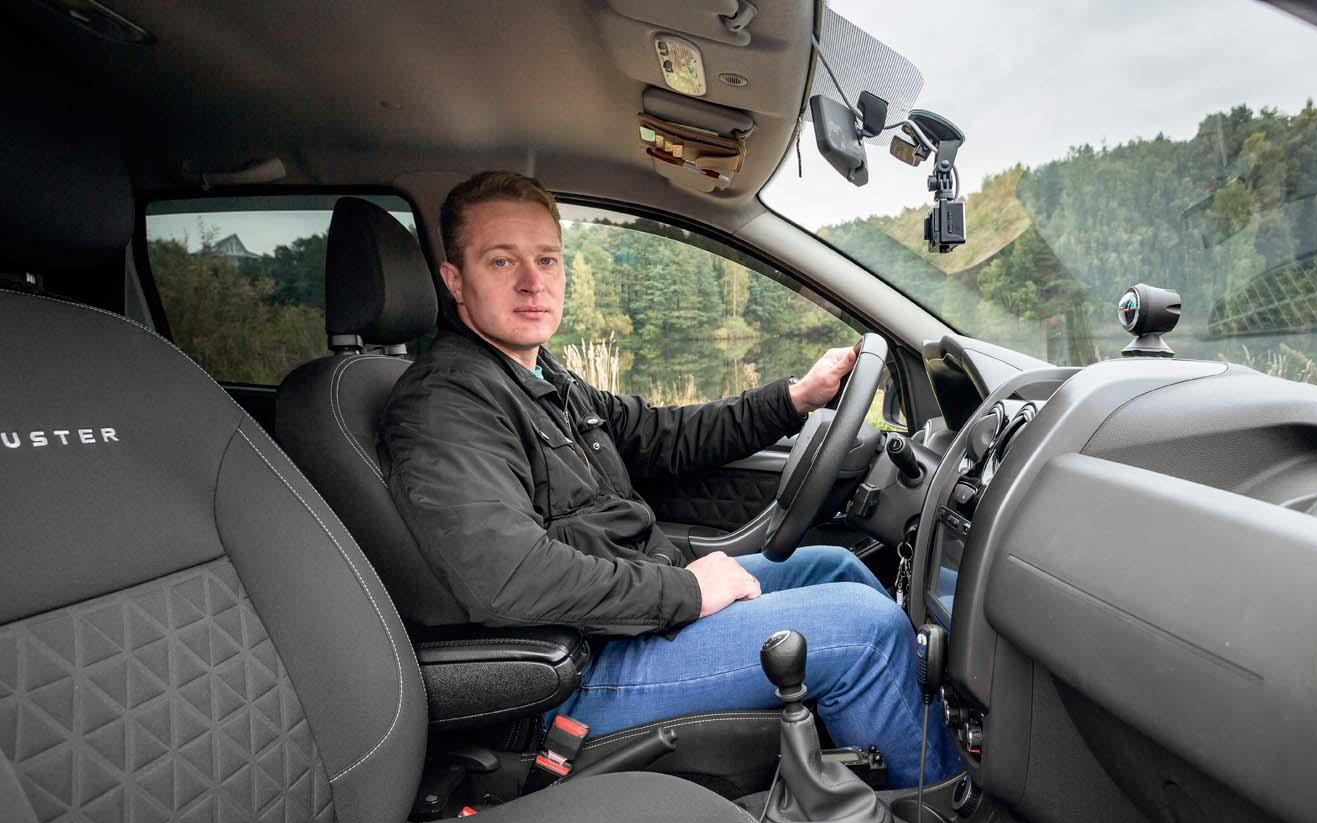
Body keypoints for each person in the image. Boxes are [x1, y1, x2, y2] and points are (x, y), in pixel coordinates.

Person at [379, 171, 960, 786]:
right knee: (866, 631)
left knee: (834, 569)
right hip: (574, 672)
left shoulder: (539, 376)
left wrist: (797, 397)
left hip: (627, 616)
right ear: (455, 280)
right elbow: (509, 579)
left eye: (546, 259)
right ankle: (941, 809)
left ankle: (903, 740)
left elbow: (664, 434)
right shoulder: (446, 402)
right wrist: (686, 592)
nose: (532, 281)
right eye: (501, 261)